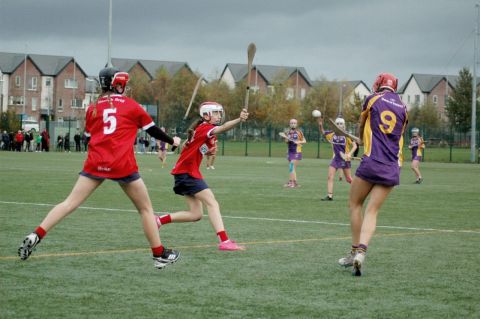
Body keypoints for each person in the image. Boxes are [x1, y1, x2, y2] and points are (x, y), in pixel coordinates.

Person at [18, 67, 181, 269]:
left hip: (96, 162)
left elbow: (89, 136)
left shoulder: (93, 108)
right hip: (122, 165)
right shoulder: (131, 106)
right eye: (123, 84)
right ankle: (159, 254)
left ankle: (37, 234)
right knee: (146, 209)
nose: (125, 87)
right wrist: (172, 141)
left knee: (69, 203)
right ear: (117, 84)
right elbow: (153, 130)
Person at [337, 73, 408, 276]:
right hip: (393, 165)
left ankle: (353, 251)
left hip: (372, 161)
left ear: (379, 85)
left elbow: (362, 123)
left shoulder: (372, 98)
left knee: (355, 204)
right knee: (372, 211)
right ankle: (361, 253)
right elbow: (395, 136)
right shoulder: (403, 107)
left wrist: (359, 140)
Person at [154, 101, 248, 251]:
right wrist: (239, 119)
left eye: (219, 113)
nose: (219, 116)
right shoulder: (205, 127)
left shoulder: (202, 129)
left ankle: (158, 220)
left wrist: (207, 150)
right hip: (187, 174)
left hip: (184, 173)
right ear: (206, 115)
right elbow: (223, 128)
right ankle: (224, 241)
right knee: (212, 203)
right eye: (216, 113)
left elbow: (196, 148)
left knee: (195, 214)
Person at [317, 117, 357, 201]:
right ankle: (329, 196)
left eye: (341, 123)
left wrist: (349, 154)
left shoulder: (347, 135)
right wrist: (320, 125)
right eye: (337, 124)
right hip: (336, 159)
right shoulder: (332, 134)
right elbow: (323, 132)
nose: (339, 125)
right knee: (330, 176)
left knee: (349, 179)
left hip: (345, 159)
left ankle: (360, 191)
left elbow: (355, 146)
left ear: (344, 125)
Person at [282, 119, 306, 188]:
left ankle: (292, 183)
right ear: (289, 124)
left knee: (291, 166)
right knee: (292, 168)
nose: (293, 124)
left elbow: (304, 141)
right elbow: (286, 142)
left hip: (297, 152)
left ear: (296, 124)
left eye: (294, 123)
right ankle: (293, 182)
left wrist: (298, 142)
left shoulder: (299, 132)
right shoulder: (287, 132)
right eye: (291, 123)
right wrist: (287, 139)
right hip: (290, 152)